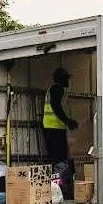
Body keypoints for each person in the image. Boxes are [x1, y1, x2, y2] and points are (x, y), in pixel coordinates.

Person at [42, 67, 78, 195]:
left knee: (57, 159)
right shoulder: (57, 88)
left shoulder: (54, 88)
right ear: (61, 79)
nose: (68, 81)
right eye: (66, 78)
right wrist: (67, 121)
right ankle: (58, 190)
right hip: (54, 129)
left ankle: (56, 189)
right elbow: (56, 107)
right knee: (59, 160)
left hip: (53, 128)